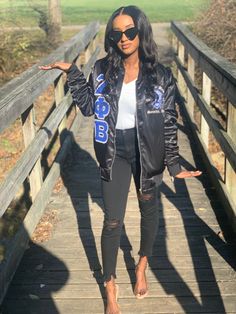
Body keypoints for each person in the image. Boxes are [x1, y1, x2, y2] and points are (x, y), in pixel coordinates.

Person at [39, 5, 202, 314]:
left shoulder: (161, 76)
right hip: (114, 152)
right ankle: (110, 287)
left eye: (130, 31)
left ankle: (141, 264)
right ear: (111, 37)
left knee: (147, 210)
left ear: (141, 31)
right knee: (112, 220)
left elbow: (169, 122)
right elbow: (88, 108)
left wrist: (175, 164)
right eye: (117, 33)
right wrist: (73, 73)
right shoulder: (102, 70)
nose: (124, 38)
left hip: (148, 151)